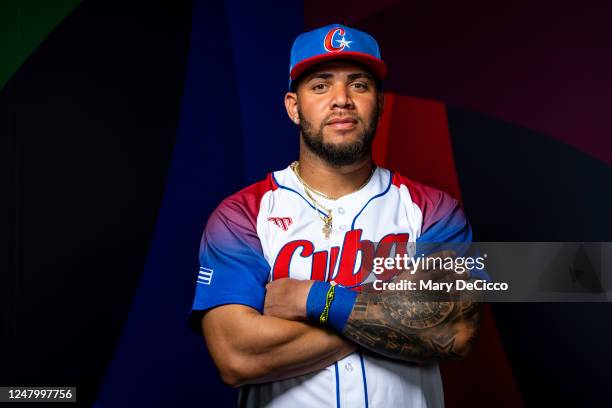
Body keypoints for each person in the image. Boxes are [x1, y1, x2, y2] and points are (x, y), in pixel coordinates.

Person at [190, 23, 480, 407]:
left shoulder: (434, 211)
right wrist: (397, 317)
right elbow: (237, 357)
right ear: (294, 107)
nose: (341, 99)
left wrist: (315, 299)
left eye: (359, 85)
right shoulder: (240, 216)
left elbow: (454, 328)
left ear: (380, 103)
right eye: (321, 85)